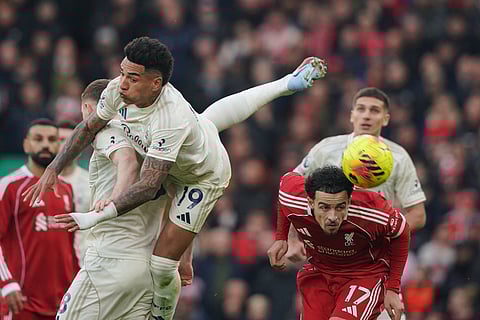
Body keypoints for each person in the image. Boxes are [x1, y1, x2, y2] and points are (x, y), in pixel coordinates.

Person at [25, 36, 326, 320]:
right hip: (182, 155)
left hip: (202, 176)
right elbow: (88, 127)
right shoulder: (118, 91)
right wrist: (54, 167)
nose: (123, 83)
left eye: (133, 78)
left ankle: (162, 313)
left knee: (161, 263)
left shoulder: (171, 119)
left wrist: (97, 216)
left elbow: (149, 185)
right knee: (210, 120)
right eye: (123, 73)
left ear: (156, 84)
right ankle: (288, 82)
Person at [55, 79, 173, 319]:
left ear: (89, 109)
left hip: (110, 260)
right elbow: (175, 196)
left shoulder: (107, 131)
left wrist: (114, 200)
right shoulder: (156, 143)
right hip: (145, 267)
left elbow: (127, 163)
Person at [267, 166, 410, 320]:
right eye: (324, 207)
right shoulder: (295, 196)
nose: (332, 216)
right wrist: (281, 237)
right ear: (310, 201)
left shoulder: (372, 210)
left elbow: (401, 230)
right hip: (320, 272)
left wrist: (393, 289)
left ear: (349, 201)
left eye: (340, 207)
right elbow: (284, 191)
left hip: (365, 274)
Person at [0, 119, 78, 319]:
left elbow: (72, 244)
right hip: (21, 300)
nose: (45, 144)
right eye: (38, 139)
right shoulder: (10, 186)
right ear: (26, 144)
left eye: (52, 139)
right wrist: (6, 283)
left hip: (63, 301)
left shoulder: (67, 189)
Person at [57, 120, 91, 267]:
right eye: (60, 140)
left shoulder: (93, 182)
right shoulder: (37, 185)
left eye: (72, 140)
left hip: (84, 264)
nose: (66, 146)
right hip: (49, 262)